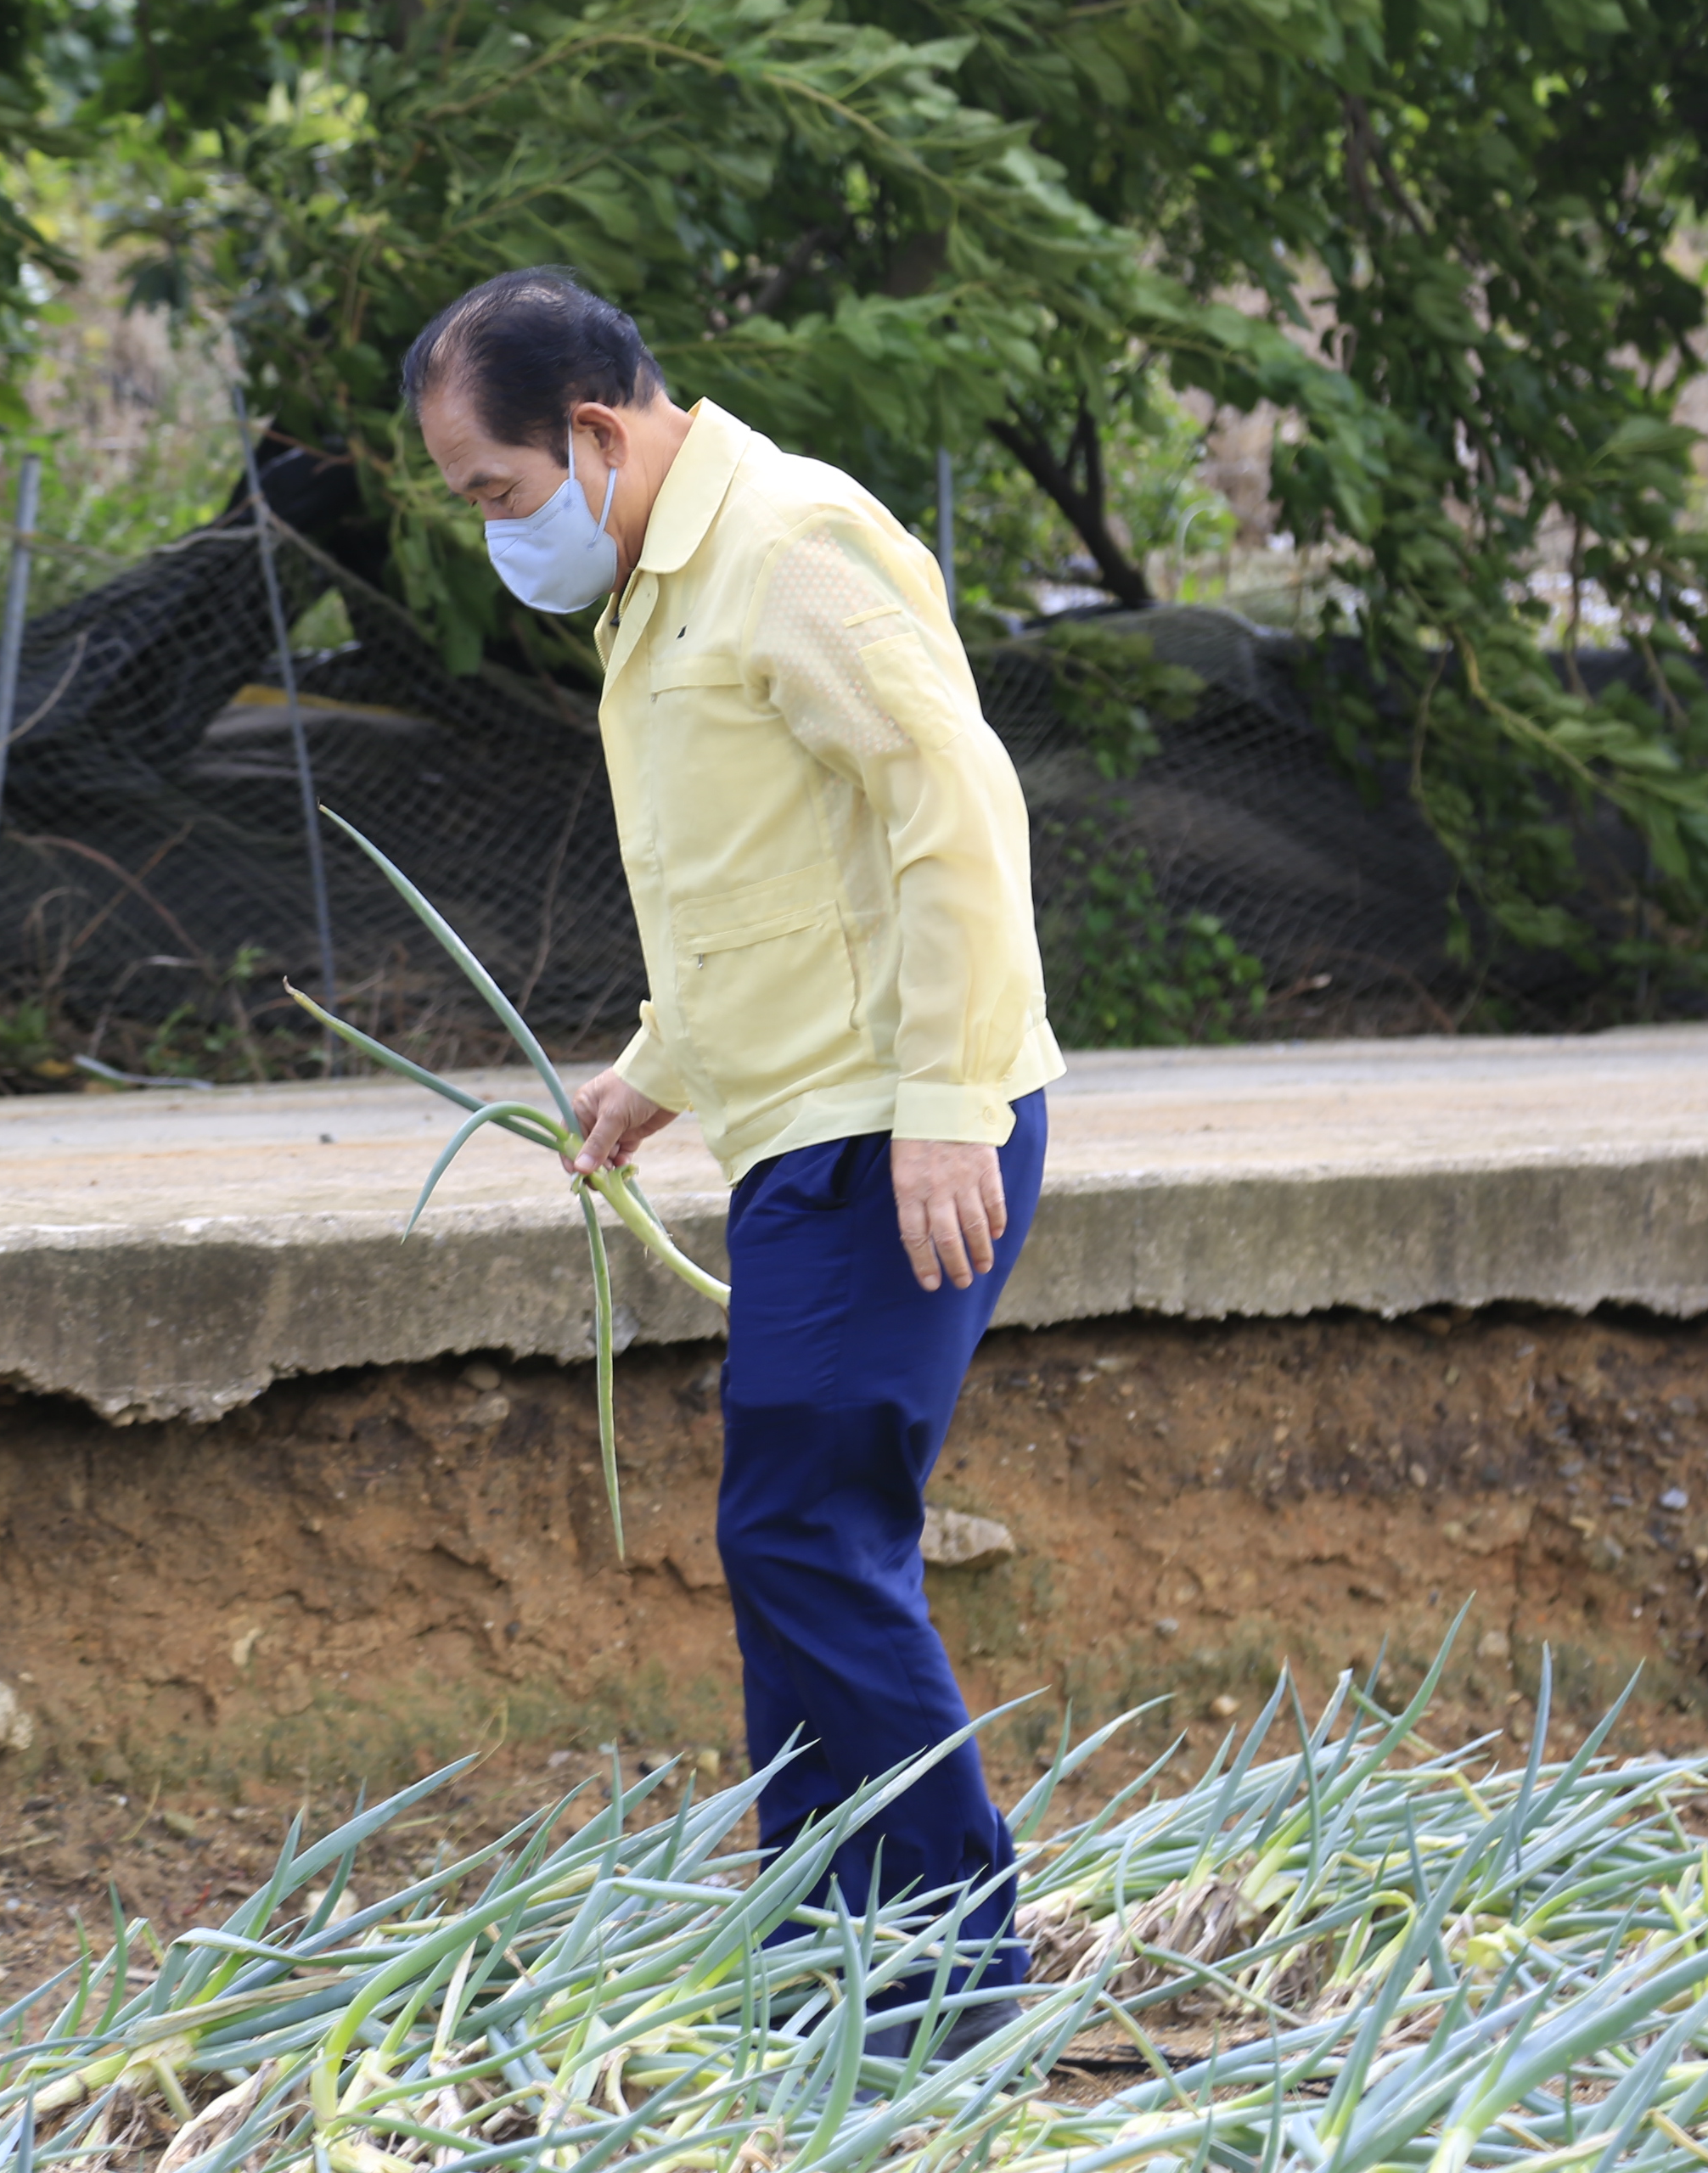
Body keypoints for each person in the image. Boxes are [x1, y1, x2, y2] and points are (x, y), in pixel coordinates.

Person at [402, 269, 1065, 2047]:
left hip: (892, 1125)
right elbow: (759, 878)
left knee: (810, 1530)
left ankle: (947, 1986)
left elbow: (953, 810)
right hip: (807, 1126)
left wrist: (946, 1100)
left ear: (596, 433)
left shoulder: (784, 543)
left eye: (494, 492)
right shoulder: (667, 581)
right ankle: (829, 1965)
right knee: (791, 1539)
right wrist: (654, 1073)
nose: (496, 535)